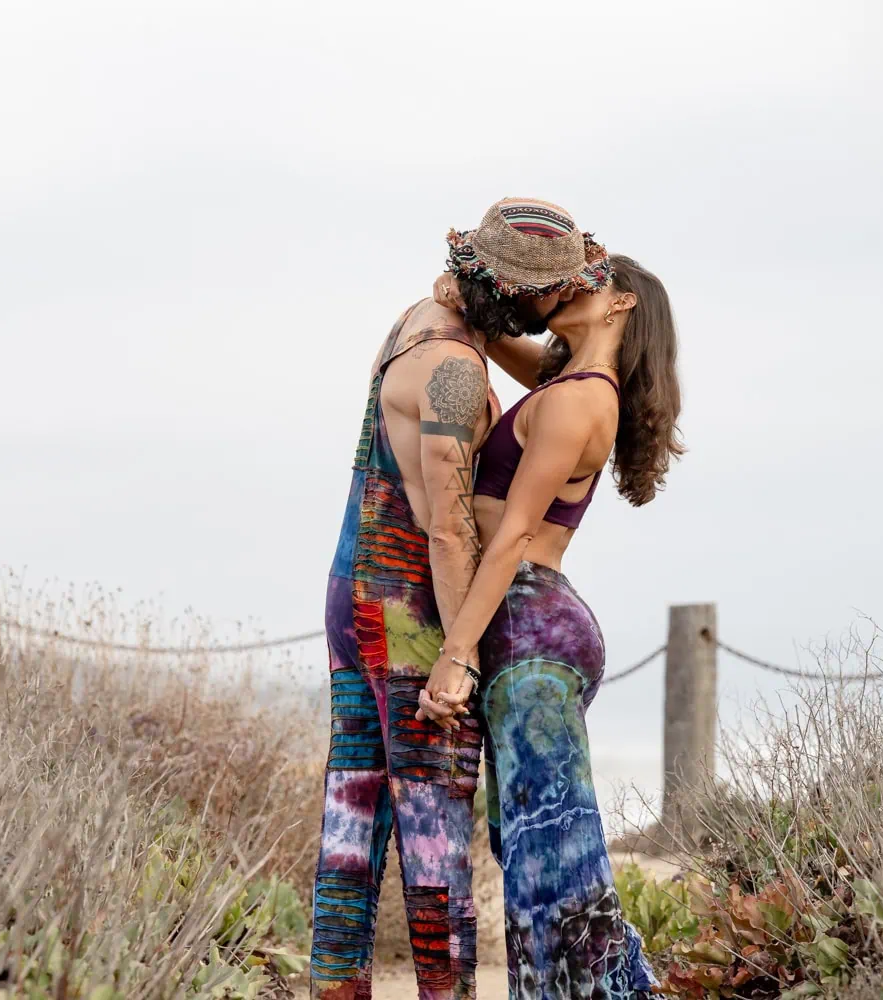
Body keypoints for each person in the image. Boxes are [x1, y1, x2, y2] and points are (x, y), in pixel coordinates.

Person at [309, 198, 617, 1000]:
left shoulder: (415, 324)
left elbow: (548, 378)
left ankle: (335, 987)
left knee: (352, 818)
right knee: (435, 834)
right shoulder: (456, 372)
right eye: (548, 294)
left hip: (350, 589)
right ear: (514, 295)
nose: (556, 308)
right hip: (410, 606)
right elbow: (448, 530)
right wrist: (463, 658)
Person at [421, 248, 684, 997]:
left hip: (531, 628)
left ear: (620, 303)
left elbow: (510, 539)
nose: (566, 288)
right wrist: (473, 301)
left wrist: (456, 653)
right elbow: (518, 346)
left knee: (555, 866)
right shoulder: (569, 385)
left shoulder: (578, 401)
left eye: (588, 280)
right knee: (533, 849)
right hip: (531, 624)